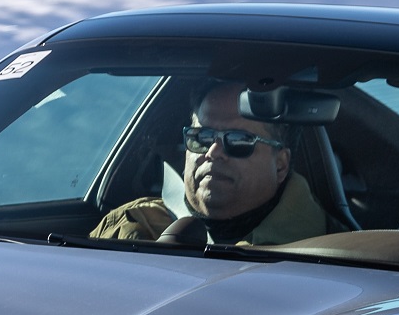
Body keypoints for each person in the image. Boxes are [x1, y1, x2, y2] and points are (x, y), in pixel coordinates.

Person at [91, 82, 331, 245]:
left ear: (280, 164)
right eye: (202, 137)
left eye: (238, 140)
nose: (214, 152)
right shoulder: (127, 222)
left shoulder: (330, 252)